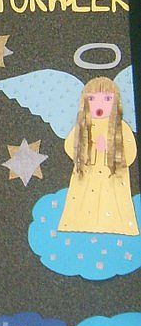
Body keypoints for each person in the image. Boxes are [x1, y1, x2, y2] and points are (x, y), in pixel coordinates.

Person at [58, 76, 139, 235]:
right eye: (92, 99)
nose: (99, 104)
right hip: (88, 173)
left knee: (112, 202)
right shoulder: (83, 126)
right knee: (84, 200)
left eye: (107, 99)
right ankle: (80, 224)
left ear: (115, 102)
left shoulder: (121, 127)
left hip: (113, 175)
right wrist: (88, 150)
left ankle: (116, 226)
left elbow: (131, 153)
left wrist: (112, 151)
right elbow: (70, 146)